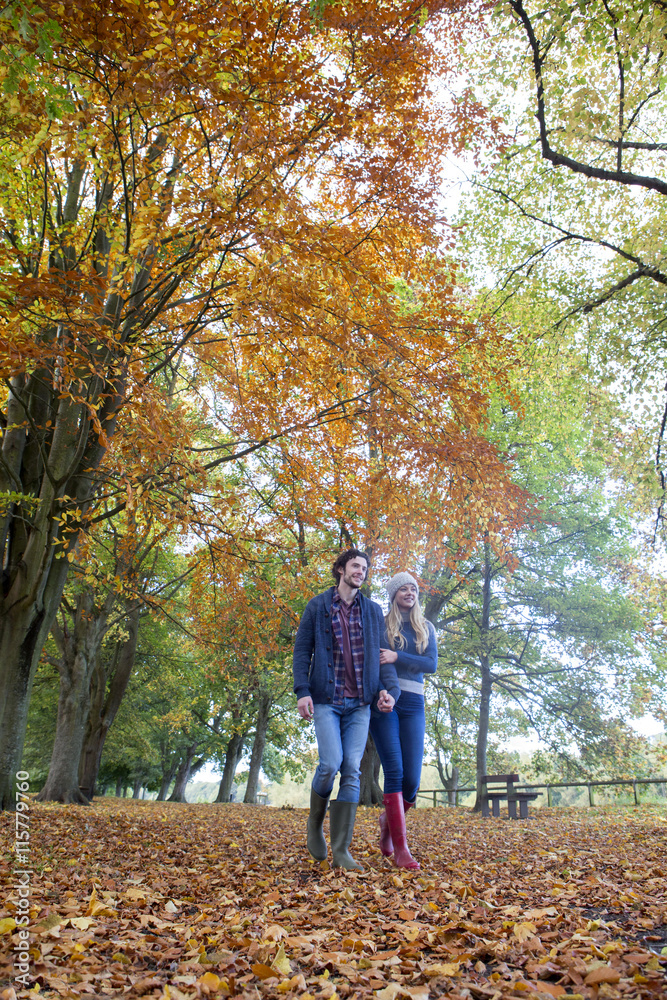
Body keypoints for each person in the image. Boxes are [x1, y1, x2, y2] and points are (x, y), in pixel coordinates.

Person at [293, 549, 399, 870]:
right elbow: (302, 651)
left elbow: (382, 655)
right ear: (341, 569)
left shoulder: (372, 611)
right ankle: (315, 823)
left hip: (359, 704)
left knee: (352, 768)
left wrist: (388, 691)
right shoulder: (318, 606)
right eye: (355, 565)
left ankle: (341, 849)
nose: (361, 571)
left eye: (365, 567)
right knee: (330, 764)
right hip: (327, 698)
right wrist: (302, 692)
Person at [370, 572, 437, 870]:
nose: (410, 592)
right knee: (394, 772)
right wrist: (382, 692)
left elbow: (431, 664)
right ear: (394, 594)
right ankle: (402, 849)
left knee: (412, 781)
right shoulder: (383, 626)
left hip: (414, 703)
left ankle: (388, 821)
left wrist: (397, 657)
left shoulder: (426, 628)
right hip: (385, 702)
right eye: (403, 589)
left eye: (413, 589)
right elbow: (373, 664)